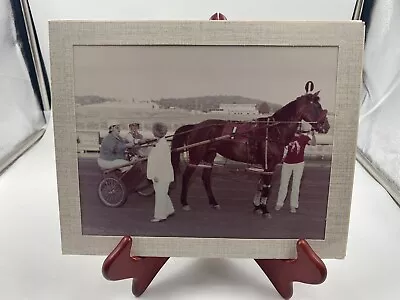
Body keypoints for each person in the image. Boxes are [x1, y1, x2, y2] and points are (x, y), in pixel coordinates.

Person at [275, 122, 316, 213]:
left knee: (296, 186)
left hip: (299, 164)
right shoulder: (288, 137)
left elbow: (313, 143)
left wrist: (313, 135)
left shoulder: (304, 138)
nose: (297, 128)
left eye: (298, 127)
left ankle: (293, 205)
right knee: (283, 185)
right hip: (287, 163)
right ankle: (279, 203)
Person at [146, 122, 175, 222]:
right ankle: (169, 209)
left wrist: (156, 175)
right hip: (163, 173)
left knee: (160, 195)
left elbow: (160, 163)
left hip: (160, 174)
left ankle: (160, 215)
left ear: (156, 132)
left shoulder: (161, 146)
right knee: (163, 193)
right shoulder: (161, 143)